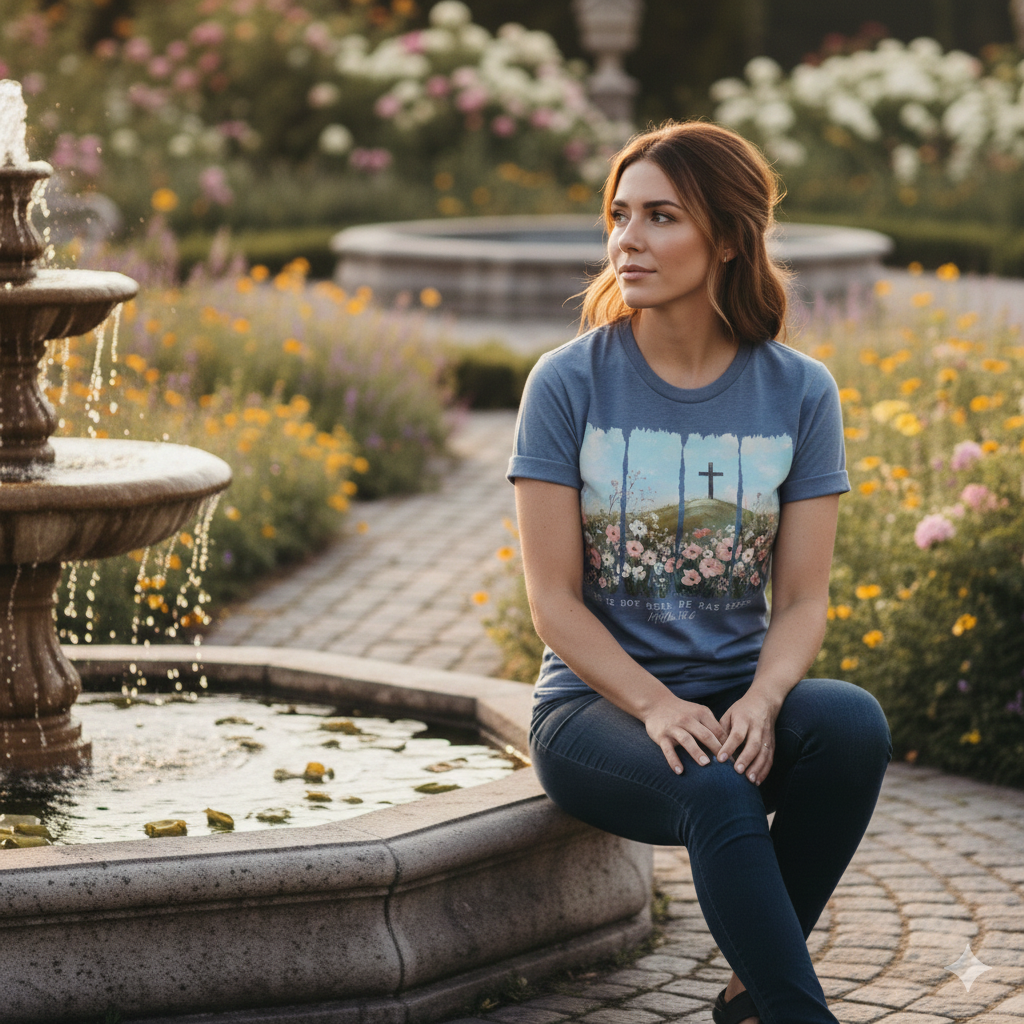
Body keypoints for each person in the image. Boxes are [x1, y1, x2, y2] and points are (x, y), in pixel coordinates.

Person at [507, 121, 892, 1024]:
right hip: (595, 710)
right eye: (618, 215)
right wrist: (654, 705)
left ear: (726, 238)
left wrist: (760, 698)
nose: (626, 240)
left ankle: (750, 998)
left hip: (727, 694)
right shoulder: (568, 384)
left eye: (661, 217)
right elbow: (552, 602)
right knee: (713, 786)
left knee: (851, 725)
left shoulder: (800, 392)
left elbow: (800, 599)